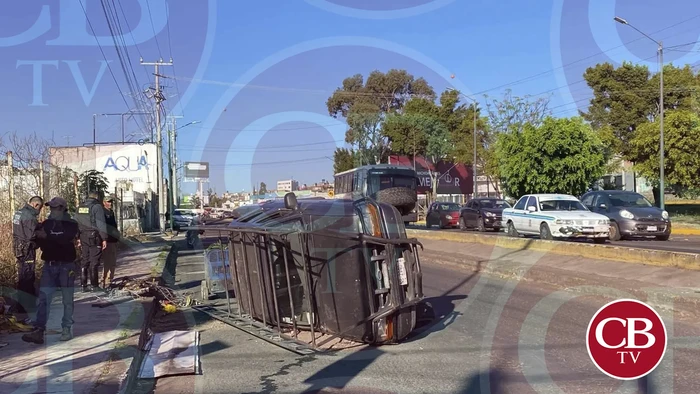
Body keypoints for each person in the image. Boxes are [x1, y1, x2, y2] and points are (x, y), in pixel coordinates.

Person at [22, 197, 80, 344]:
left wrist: (47, 237)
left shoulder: (71, 224)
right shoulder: (46, 224)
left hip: (66, 266)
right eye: (51, 208)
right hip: (49, 265)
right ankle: (39, 330)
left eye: (55, 208)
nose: (52, 211)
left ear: (62, 209)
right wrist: (37, 238)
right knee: (44, 299)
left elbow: (64, 238)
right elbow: (38, 240)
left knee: (67, 299)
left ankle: (66, 328)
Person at [12, 196, 43, 318]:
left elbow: (22, 230)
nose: (39, 212)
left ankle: (21, 306)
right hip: (27, 249)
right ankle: (26, 308)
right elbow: (31, 235)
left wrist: (38, 225)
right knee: (27, 277)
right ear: (36, 205)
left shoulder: (19, 212)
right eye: (39, 208)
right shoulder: (29, 216)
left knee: (22, 276)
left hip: (18, 248)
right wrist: (44, 233)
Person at [74, 191, 107, 292]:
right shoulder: (97, 207)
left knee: (85, 260)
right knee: (94, 261)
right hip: (94, 236)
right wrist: (104, 238)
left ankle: (84, 285)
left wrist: (77, 237)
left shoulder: (80, 207)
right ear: (97, 197)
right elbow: (101, 224)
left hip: (83, 236)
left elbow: (76, 223)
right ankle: (94, 286)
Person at [101, 194, 120, 288]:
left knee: (113, 261)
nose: (110, 203)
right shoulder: (102, 213)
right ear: (104, 203)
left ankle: (110, 279)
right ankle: (104, 280)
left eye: (111, 202)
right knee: (107, 261)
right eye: (108, 202)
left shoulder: (111, 212)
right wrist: (104, 239)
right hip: (107, 240)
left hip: (113, 240)